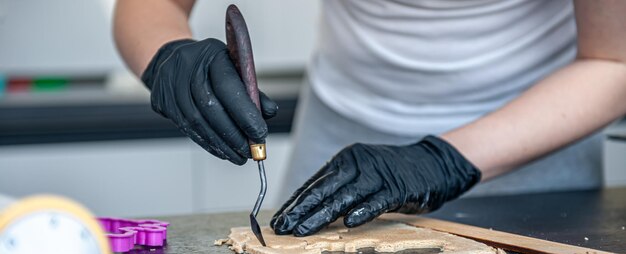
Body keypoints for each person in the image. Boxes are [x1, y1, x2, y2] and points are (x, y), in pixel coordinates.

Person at [114, 0, 626, 237]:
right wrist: (167, 57)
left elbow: (614, 62)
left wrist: (442, 161)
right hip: (339, 138)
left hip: (532, 143)